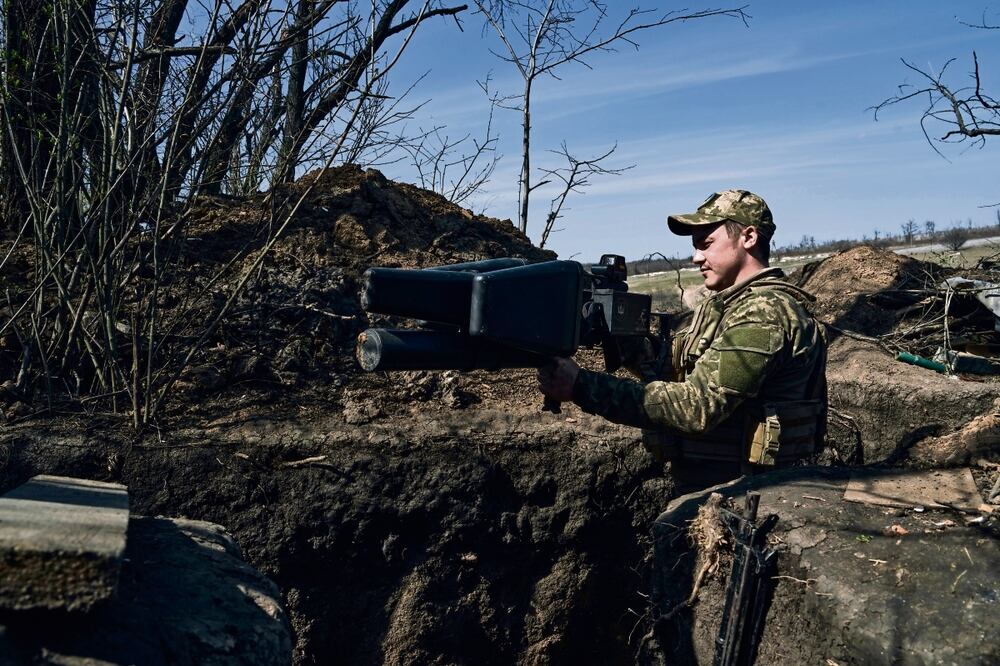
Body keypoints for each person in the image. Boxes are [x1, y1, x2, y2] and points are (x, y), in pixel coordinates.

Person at [537, 189, 827, 493]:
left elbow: (697, 407)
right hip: (722, 485)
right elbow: (673, 368)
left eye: (707, 244)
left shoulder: (763, 313)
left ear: (749, 237)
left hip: (746, 493)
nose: (696, 257)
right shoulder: (729, 306)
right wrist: (625, 340)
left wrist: (581, 386)